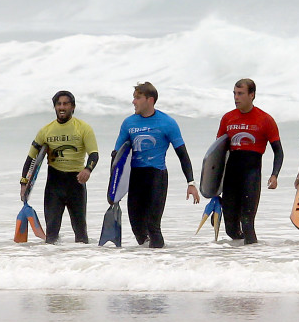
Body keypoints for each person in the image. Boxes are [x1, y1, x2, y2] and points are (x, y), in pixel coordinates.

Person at [114, 82, 200, 248]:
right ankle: (149, 261)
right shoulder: (128, 123)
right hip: (135, 179)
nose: (133, 102)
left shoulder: (167, 122)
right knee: (137, 228)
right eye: (134, 98)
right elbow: (117, 157)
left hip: (156, 177)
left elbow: (182, 154)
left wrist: (191, 183)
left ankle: (160, 263)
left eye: (137, 98)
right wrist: (114, 189)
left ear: (150, 100)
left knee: (153, 226)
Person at [20, 90, 99, 243]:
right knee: (51, 236)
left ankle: (83, 263)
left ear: (73, 107)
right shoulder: (45, 131)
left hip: (76, 183)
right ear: (55, 107)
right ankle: (52, 263)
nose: (62, 107)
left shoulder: (84, 128)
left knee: (81, 233)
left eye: (66, 104)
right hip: (54, 185)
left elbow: (94, 154)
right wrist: (24, 183)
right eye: (59, 104)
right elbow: (31, 159)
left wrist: (88, 169)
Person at [216, 79, 283, 244]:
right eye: (234, 94)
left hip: (251, 175)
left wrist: (274, 175)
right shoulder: (228, 118)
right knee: (230, 228)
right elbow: (217, 152)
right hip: (231, 177)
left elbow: (278, 151)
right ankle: (243, 258)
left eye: (240, 94)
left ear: (252, 95)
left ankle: (254, 260)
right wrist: (214, 184)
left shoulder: (265, 119)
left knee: (247, 223)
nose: (236, 97)